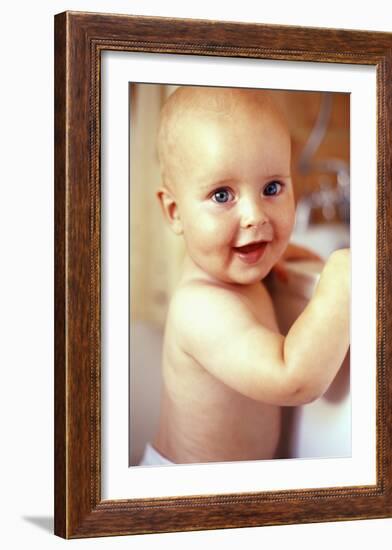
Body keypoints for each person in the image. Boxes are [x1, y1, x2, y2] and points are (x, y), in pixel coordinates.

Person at [139, 86, 350, 467]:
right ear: (174, 212)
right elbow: (294, 378)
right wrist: (343, 275)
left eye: (271, 188)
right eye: (222, 195)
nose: (255, 215)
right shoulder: (202, 307)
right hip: (186, 495)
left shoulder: (231, 272)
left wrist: (274, 256)